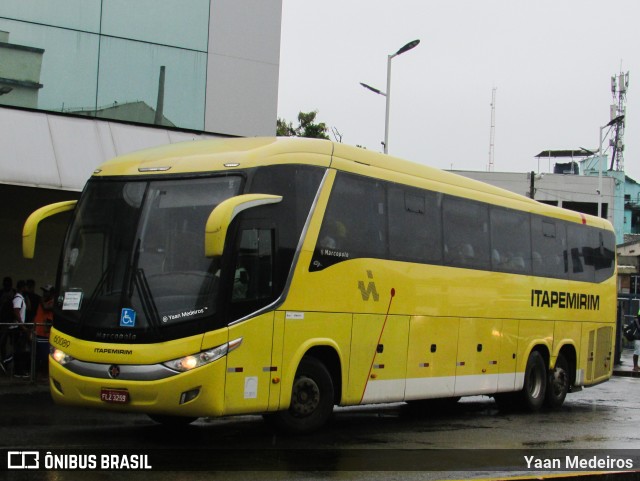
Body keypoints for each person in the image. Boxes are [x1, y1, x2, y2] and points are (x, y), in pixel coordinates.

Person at [34, 284, 54, 377]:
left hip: (45, 333)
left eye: (46, 292)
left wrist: (41, 299)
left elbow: (46, 308)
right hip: (38, 331)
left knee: (45, 355)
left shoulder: (52, 302)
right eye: (44, 292)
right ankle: (38, 374)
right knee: (37, 354)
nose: (44, 294)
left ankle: (44, 374)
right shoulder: (42, 302)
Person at [12, 280, 30, 377]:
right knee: (19, 350)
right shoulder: (18, 298)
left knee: (21, 350)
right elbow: (16, 311)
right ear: (23, 287)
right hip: (18, 327)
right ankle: (18, 371)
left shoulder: (22, 298)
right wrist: (22, 325)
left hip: (19, 327)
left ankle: (19, 370)